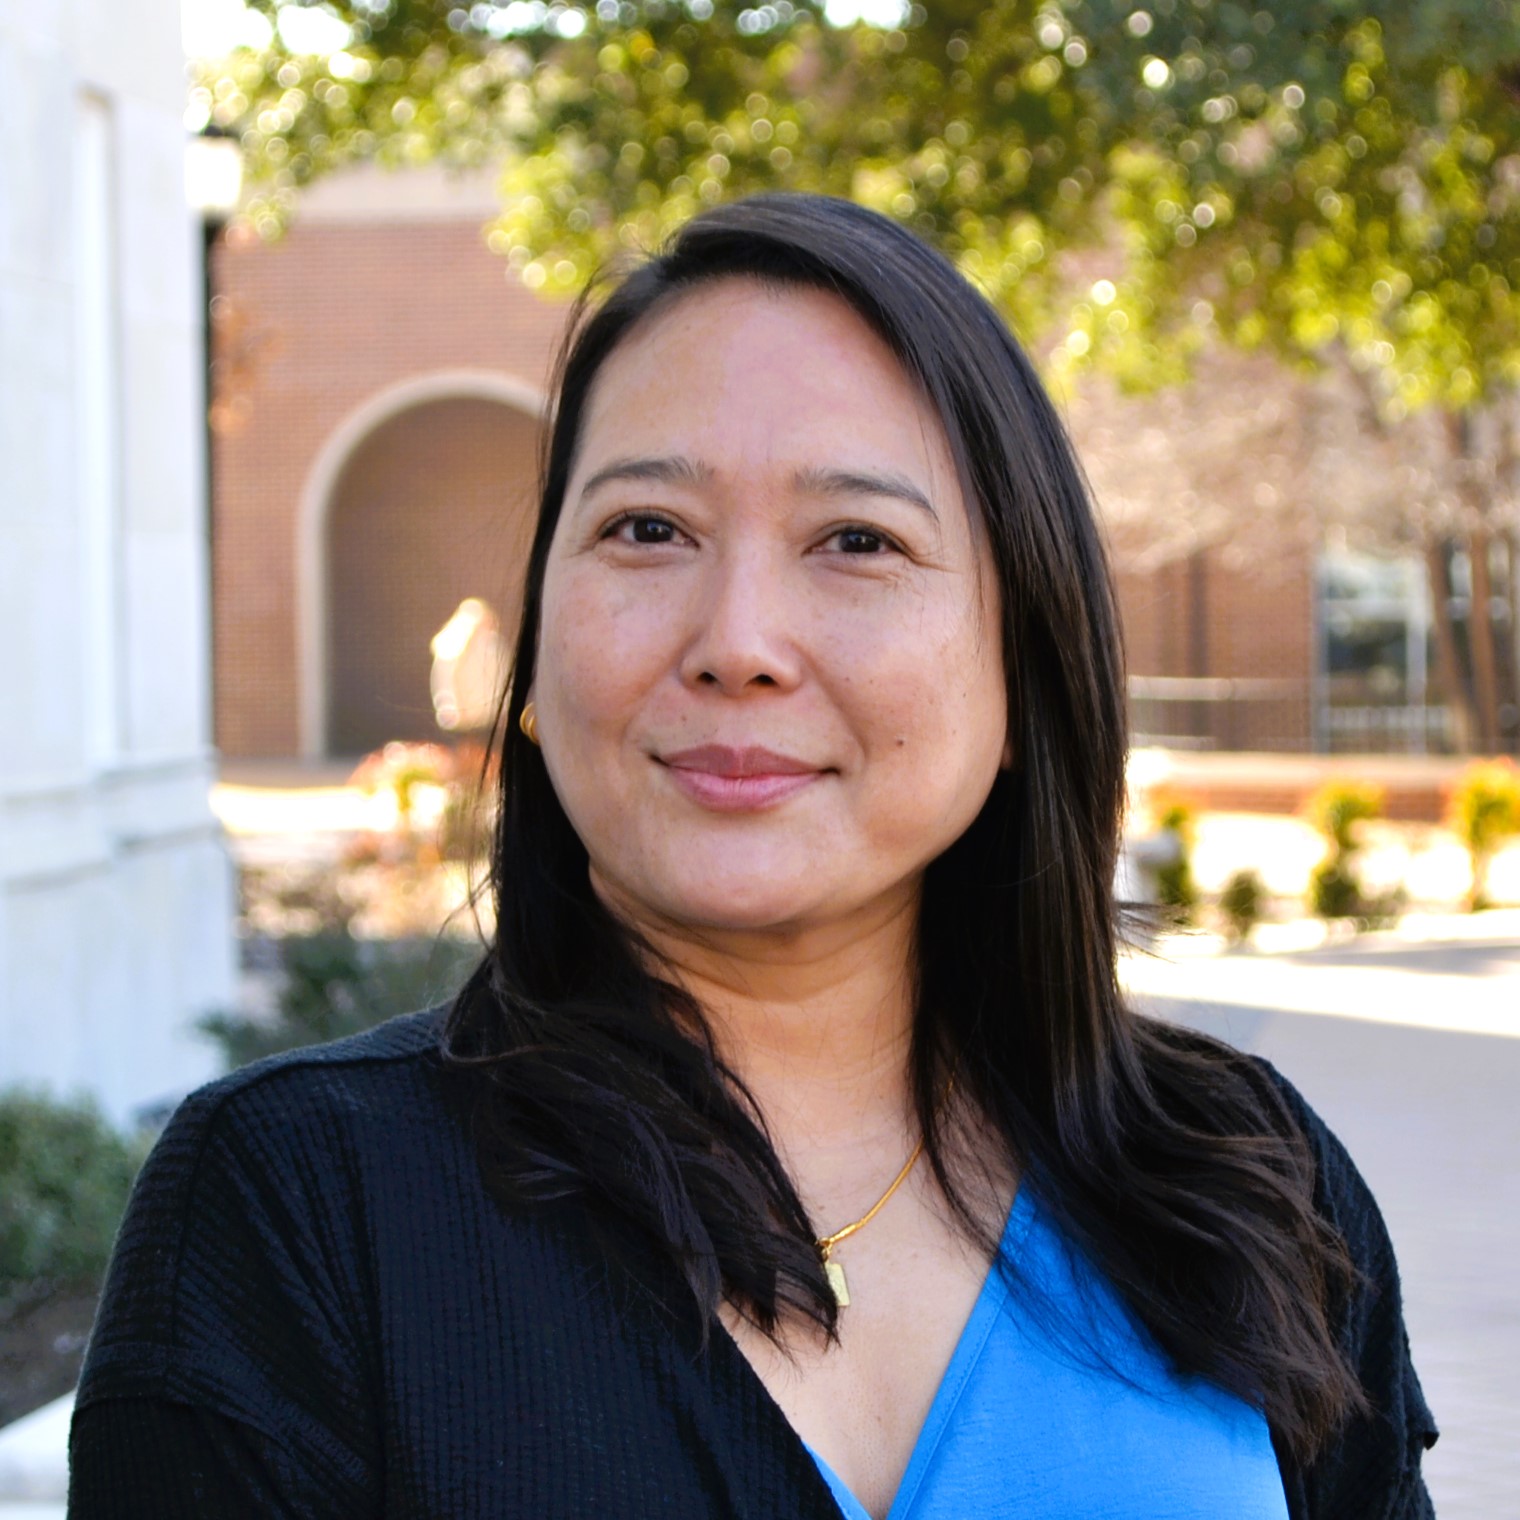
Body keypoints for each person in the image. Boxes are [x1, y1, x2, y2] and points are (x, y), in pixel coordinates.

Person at [69, 194, 1437, 1519]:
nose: (738, 639)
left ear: (1023, 670)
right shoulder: (300, 1210)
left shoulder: (1244, 1177)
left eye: (858, 540)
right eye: (647, 530)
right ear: (539, 648)